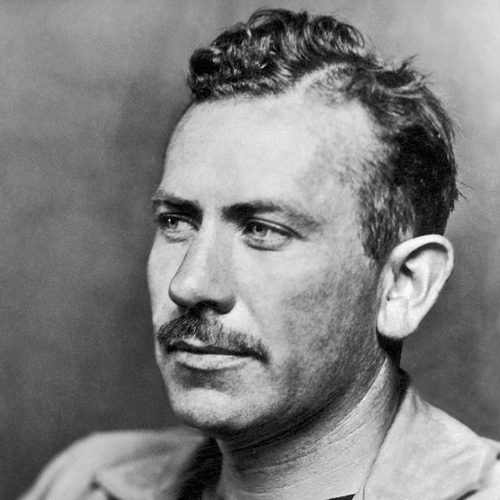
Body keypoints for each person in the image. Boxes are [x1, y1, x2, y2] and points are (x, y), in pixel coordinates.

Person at [20, 8, 500, 500]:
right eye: (177, 222)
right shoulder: (84, 482)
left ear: (403, 286)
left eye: (262, 230)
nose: (189, 284)